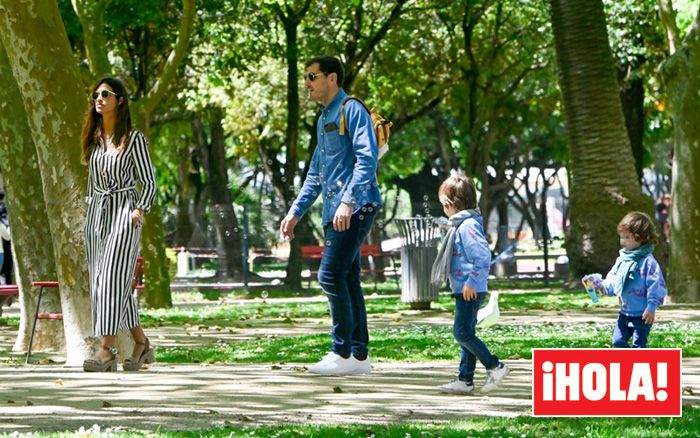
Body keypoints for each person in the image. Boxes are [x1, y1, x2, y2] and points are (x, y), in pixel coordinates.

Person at [279, 56, 381, 376]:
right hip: (336, 209)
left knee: (329, 276)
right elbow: (316, 174)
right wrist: (295, 213)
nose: (307, 83)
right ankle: (359, 358)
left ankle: (342, 352)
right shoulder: (326, 117)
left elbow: (368, 158)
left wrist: (348, 202)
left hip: (355, 206)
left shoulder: (352, 109)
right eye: (306, 76)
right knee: (347, 277)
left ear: (332, 78)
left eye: (312, 76)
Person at [80, 77, 157, 372]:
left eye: (106, 94)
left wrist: (140, 209)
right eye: (95, 95)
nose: (99, 99)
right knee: (109, 284)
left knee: (111, 279)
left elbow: (149, 181)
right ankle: (141, 344)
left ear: (120, 100)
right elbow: (92, 182)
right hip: (97, 215)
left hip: (125, 212)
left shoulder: (134, 139)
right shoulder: (96, 137)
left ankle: (106, 349)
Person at [431, 174, 509, 394]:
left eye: (443, 205)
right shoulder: (460, 224)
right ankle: (465, 379)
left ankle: (495, 366)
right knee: (467, 333)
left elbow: (482, 256)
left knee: (462, 333)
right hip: (463, 288)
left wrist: (471, 282)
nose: (443, 209)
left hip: (470, 289)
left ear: (450, 204)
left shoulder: (467, 226)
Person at [584, 211, 667, 348]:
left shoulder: (648, 262)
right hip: (624, 313)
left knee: (639, 345)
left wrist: (651, 308)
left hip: (642, 315)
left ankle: (638, 366)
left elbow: (656, 285)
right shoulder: (622, 260)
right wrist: (600, 285)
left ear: (641, 238)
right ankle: (627, 364)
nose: (623, 241)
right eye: (621, 237)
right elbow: (613, 279)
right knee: (618, 341)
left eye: (627, 237)